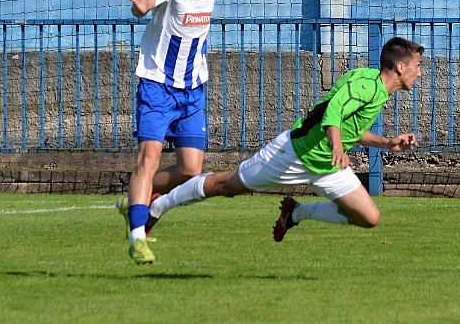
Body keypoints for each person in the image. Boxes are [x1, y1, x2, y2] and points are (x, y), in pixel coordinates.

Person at [144, 37, 424, 261]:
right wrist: (338, 147)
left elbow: (349, 125)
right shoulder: (367, 86)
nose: (419, 72)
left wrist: (387, 142)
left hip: (327, 165)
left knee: (369, 218)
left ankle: (295, 213)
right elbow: (334, 113)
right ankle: (157, 206)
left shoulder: (373, 86)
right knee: (226, 186)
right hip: (295, 154)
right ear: (400, 67)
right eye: (417, 65)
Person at [120, 0, 267, 264]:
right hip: (157, 85)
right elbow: (145, 4)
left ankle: (136, 200)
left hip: (193, 89)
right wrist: (139, 7)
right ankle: (137, 237)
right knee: (149, 159)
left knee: (190, 169)